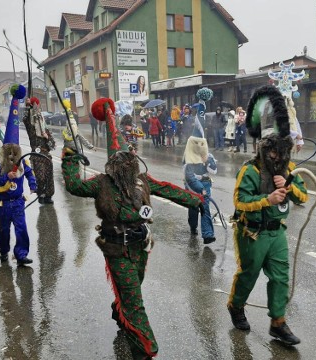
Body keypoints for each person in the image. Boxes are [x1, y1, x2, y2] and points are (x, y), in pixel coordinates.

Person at [61, 98, 203, 359]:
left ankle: (120, 312)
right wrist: (70, 157)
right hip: (116, 249)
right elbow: (74, 186)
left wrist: (197, 201)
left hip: (140, 247)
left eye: (130, 158)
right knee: (135, 302)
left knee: (131, 290)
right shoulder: (102, 183)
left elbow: (167, 190)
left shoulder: (142, 180)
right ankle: (146, 347)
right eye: (123, 160)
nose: (128, 163)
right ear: (114, 164)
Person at [227, 85, 308, 346]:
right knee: (248, 276)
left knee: (281, 277)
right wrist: (267, 199)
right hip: (252, 233)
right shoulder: (250, 171)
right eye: (273, 152)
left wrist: (288, 184)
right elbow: (240, 201)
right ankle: (236, 306)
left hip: (276, 234)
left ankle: (278, 323)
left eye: (282, 153)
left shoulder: (289, 169)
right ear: (264, 149)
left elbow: (303, 197)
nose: (278, 157)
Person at [0, 85, 37, 266]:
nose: (11, 155)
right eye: (8, 151)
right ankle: (4, 252)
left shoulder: (22, 161)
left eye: (14, 152)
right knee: (4, 232)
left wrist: (33, 185)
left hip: (18, 203)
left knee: (21, 230)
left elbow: (30, 173)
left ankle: (21, 255)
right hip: (2, 205)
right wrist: (7, 178)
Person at [183, 116, 217, 244]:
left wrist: (207, 160)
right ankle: (193, 226)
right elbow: (189, 177)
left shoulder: (208, 155)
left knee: (205, 208)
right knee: (193, 208)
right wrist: (200, 189)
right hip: (193, 186)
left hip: (205, 184)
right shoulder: (188, 158)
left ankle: (208, 234)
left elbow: (214, 170)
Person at [22, 97, 56, 204]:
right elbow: (25, 119)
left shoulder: (46, 129)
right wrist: (28, 106)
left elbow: (52, 145)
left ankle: (48, 196)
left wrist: (47, 138)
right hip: (36, 155)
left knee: (49, 177)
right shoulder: (31, 128)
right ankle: (41, 194)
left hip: (46, 155)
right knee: (40, 178)